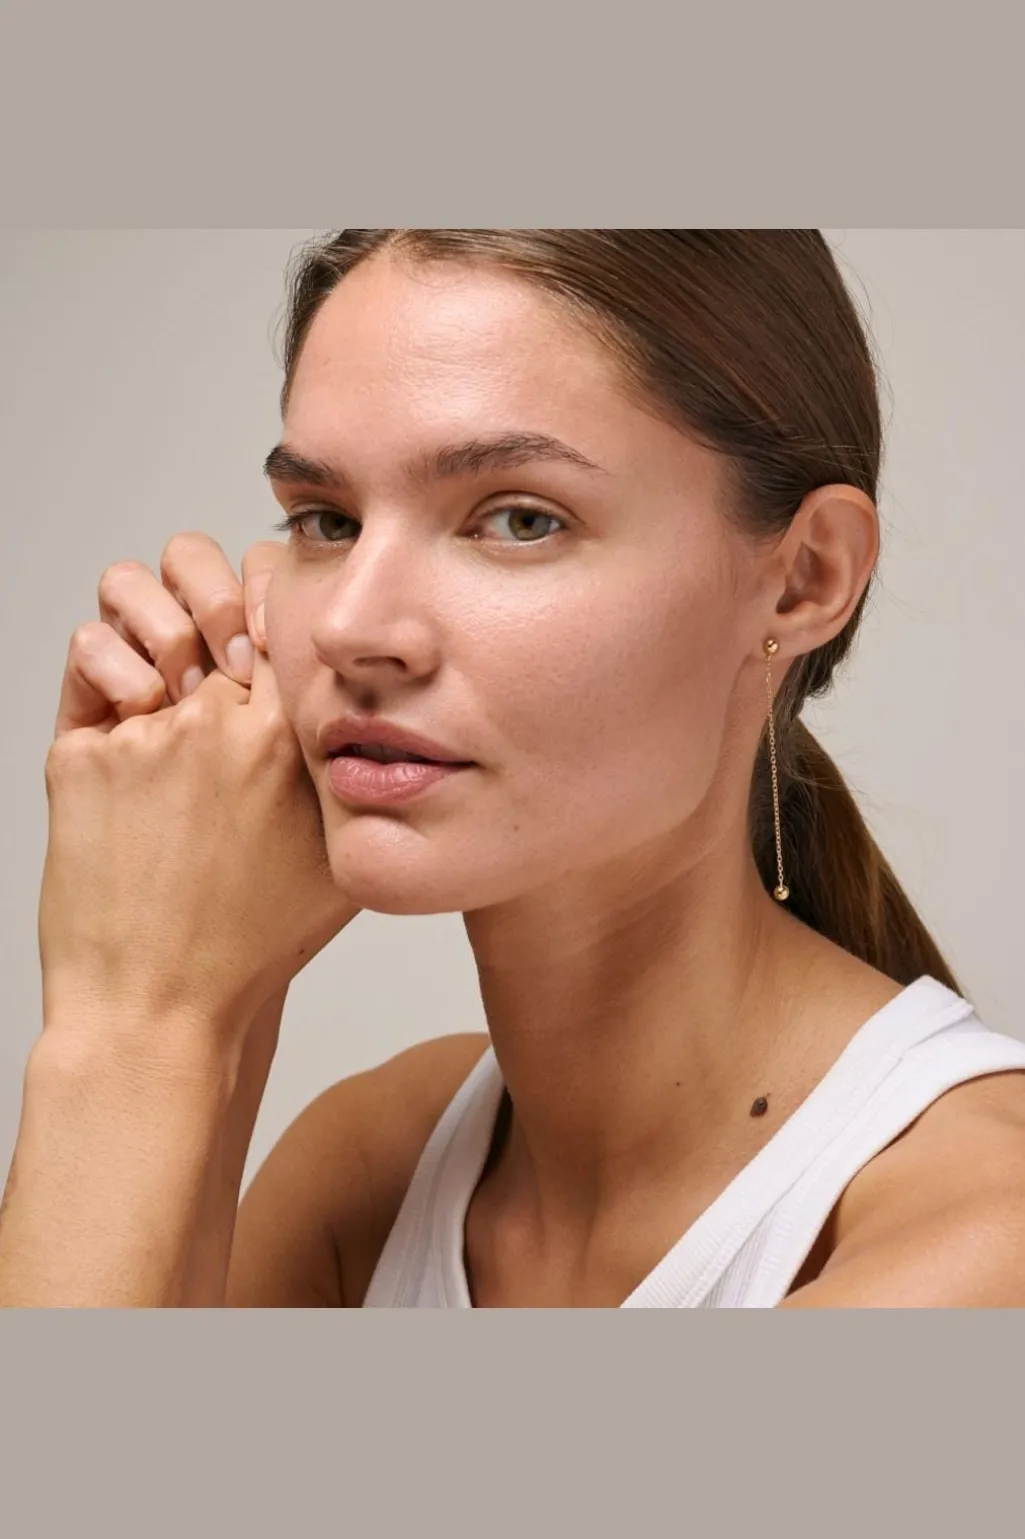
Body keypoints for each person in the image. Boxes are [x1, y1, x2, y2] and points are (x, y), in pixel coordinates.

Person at [2, 228, 1024, 1308]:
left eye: (519, 520)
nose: (349, 626)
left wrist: (132, 1018)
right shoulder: (366, 1174)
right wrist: (206, 1000)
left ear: (804, 578)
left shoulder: (981, 1233)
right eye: (327, 521)